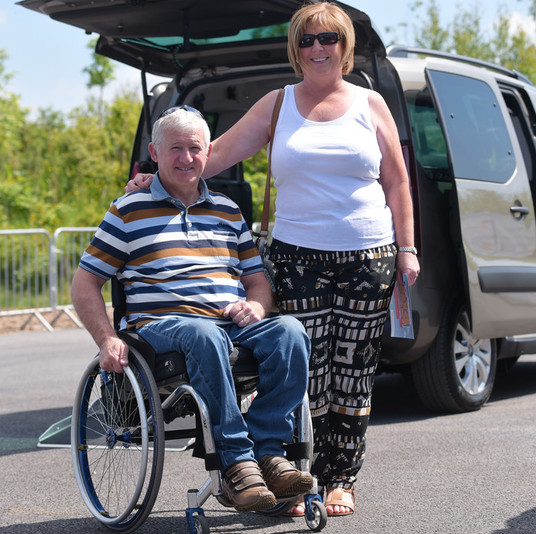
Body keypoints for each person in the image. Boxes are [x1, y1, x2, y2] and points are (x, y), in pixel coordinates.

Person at [126, 2, 420, 517]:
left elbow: (396, 180)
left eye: (327, 38)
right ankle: (289, 478)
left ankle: (340, 479)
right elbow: (214, 153)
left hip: (369, 254)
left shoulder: (370, 104)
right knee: (301, 371)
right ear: (296, 49)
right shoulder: (278, 104)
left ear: (344, 45)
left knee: (351, 376)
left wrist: (408, 247)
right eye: (306, 40)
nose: (317, 48)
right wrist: (161, 177)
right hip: (297, 257)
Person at [71, 106, 314, 513]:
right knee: (203, 334)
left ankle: (270, 453)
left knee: (289, 331)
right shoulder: (127, 211)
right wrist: (106, 338)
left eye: (195, 148)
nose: (186, 158)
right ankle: (236, 461)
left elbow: (257, 280)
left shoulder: (228, 210)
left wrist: (255, 304)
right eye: (176, 148)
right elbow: (85, 283)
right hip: (160, 327)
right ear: (155, 152)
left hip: (226, 324)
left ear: (208, 152)